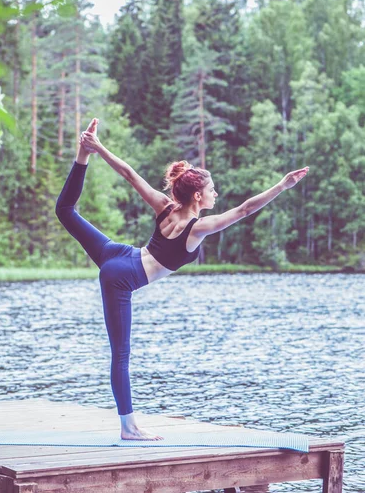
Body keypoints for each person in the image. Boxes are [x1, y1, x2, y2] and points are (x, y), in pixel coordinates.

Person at [56, 118, 309, 440]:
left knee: (66, 211)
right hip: (122, 275)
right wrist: (282, 186)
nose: (216, 193)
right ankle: (129, 427)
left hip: (116, 253)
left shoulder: (165, 207)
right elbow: (245, 210)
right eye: (211, 190)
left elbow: (129, 174)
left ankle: (81, 158)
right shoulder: (197, 228)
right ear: (199, 198)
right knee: (120, 354)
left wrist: (94, 147)